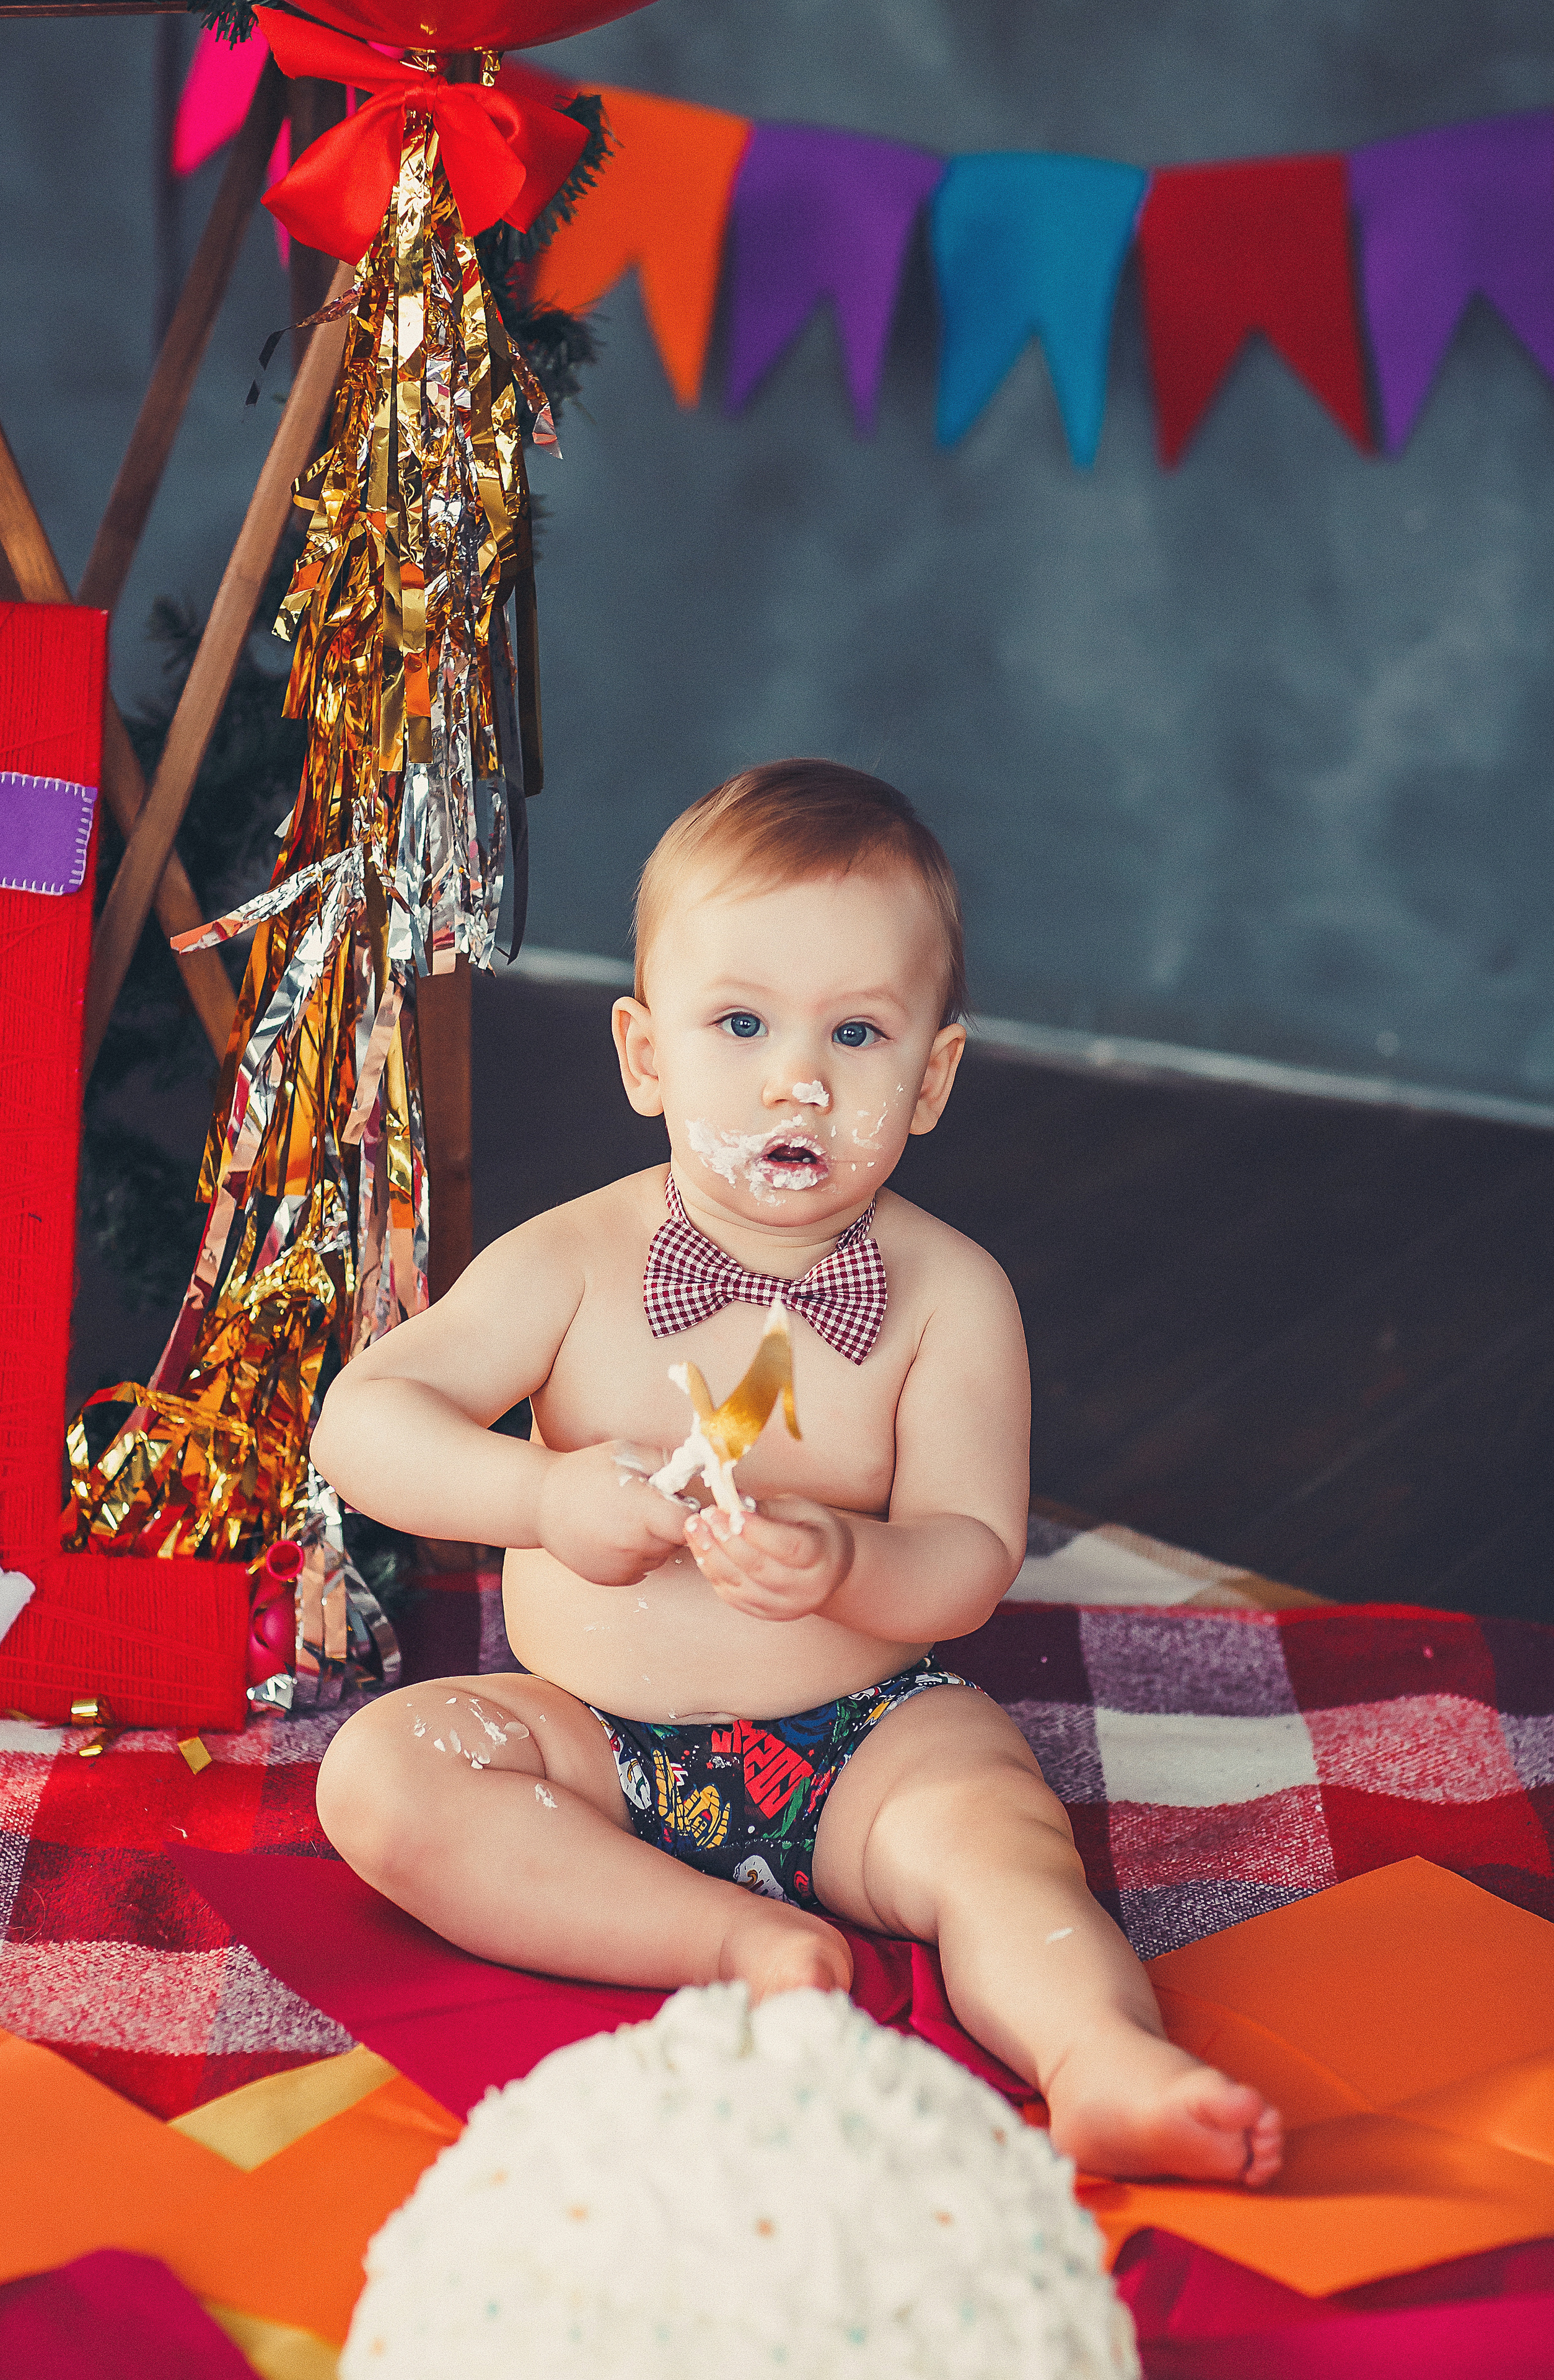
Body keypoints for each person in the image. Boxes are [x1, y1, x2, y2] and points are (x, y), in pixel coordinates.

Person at [312, 760, 1283, 2185]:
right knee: (385, 1778)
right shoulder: (570, 1260)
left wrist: (850, 1563)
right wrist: (542, 1498)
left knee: (997, 1833)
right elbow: (364, 1423)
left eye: (855, 1032)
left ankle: (1095, 2055)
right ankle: (736, 1943)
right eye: (741, 1021)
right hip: (588, 1742)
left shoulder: (951, 1295)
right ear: (645, 1056)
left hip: (859, 1735)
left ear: (931, 1075)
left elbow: (966, 1550)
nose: (797, 1079)